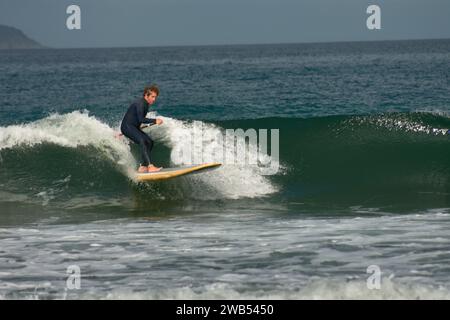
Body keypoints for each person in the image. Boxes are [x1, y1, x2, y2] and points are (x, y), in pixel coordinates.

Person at [121, 85, 163, 173]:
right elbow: (141, 119)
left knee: (150, 142)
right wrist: (155, 120)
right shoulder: (140, 103)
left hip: (133, 127)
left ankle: (143, 166)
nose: (154, 99)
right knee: (143, 141)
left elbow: (136, 118)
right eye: (152, 97)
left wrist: (137, 127)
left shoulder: (145, 104)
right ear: (146, 95)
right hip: (127, 127)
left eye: (155, 97)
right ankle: (150, 166)